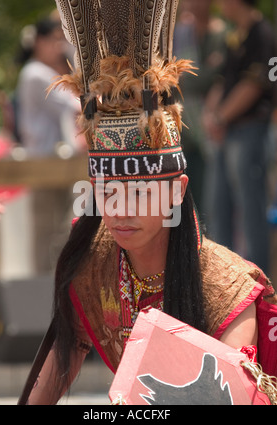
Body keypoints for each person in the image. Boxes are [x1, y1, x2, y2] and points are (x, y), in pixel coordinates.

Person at [21, 0, 277, 405]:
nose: (120, 210)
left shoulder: (227, 290)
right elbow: (49, 381)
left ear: (176, 191)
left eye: (140, 192)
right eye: (107, 191)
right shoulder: (92, 265)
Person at [202, 0, 276, 274]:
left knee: (251, 209)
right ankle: (223, 278)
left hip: (249, 131)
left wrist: (220, 117)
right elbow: (223, 81)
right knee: (218, 207)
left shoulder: (263, 34)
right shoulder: (237, 35)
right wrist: (212, 117)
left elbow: (256, 84)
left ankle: (259, 283)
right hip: (227, 133)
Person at [16, 15, 85, 274]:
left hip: (56, 163)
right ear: (39, 42)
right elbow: (77, 105)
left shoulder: (46, 73)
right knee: (45, 233)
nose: (59, 46)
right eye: (54, 40)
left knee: (60, 232)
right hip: (43, 163)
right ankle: (40, 295)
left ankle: (50, 292)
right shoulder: (36, 73)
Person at [173, 0, 227, 213]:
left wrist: (191, 77)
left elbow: (217, 76)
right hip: (184, 124)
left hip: (213, 124)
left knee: (213, 194)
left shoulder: (222, 34)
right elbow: (175, 77)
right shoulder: (181, 33)